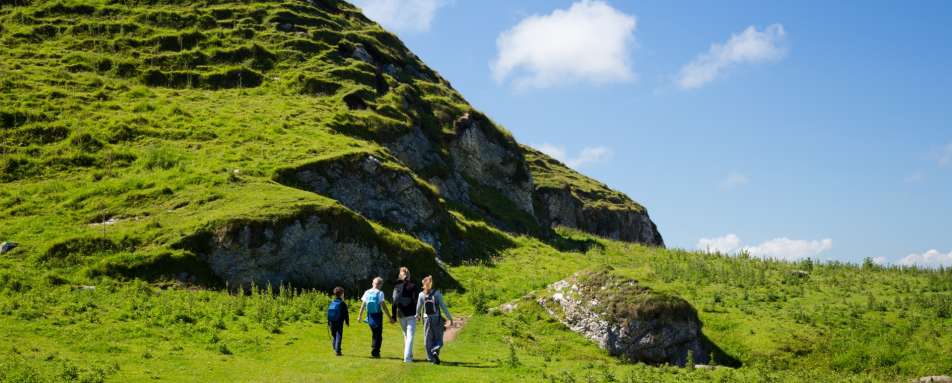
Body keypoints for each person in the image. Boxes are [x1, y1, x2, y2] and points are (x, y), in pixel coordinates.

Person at [416, 275, 453, 365]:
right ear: (432, 284)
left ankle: (431, 358)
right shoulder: (437, 293)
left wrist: (417, 315)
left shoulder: (421, 295)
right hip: (437, 319)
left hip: (426, 319)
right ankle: (435, 350)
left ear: (423, 284)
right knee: (438, 338)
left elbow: (418, 308)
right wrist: (450, 318)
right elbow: (443, 307)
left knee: (427, 339)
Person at [357, 277, 392, 358]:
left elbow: (363, 305)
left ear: (373, 283)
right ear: (380, 285)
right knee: (378, 334)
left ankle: (374, 349)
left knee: (374, 333)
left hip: (369, 315)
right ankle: (375, 351)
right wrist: (389, 317)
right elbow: (384, 306)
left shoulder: (367, 292)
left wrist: (359, 316)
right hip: (378, 315)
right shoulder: (380, 293)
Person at [391, 267, 419, 363]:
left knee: (406, 335)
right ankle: (407, 358)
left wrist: (393, 316)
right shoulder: (413, 286)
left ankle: (409, 355)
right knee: (410, 335)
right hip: (411, 313)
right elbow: (416, 301)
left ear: (400, 275)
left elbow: (394, 302)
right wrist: (418, 313)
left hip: (400, 314)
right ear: (409, 275)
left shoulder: (396, 286)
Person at [327, 286, 350, 356]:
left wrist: (328, 322)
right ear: (342, 294)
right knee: (339, 335)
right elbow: (346, 314)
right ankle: (338, 351)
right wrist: (347, 322)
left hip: (332, 321)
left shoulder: (332, 302)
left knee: (334, 335)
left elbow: (328, 313)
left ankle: (335, 347)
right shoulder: (343, 303)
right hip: (339, 322)